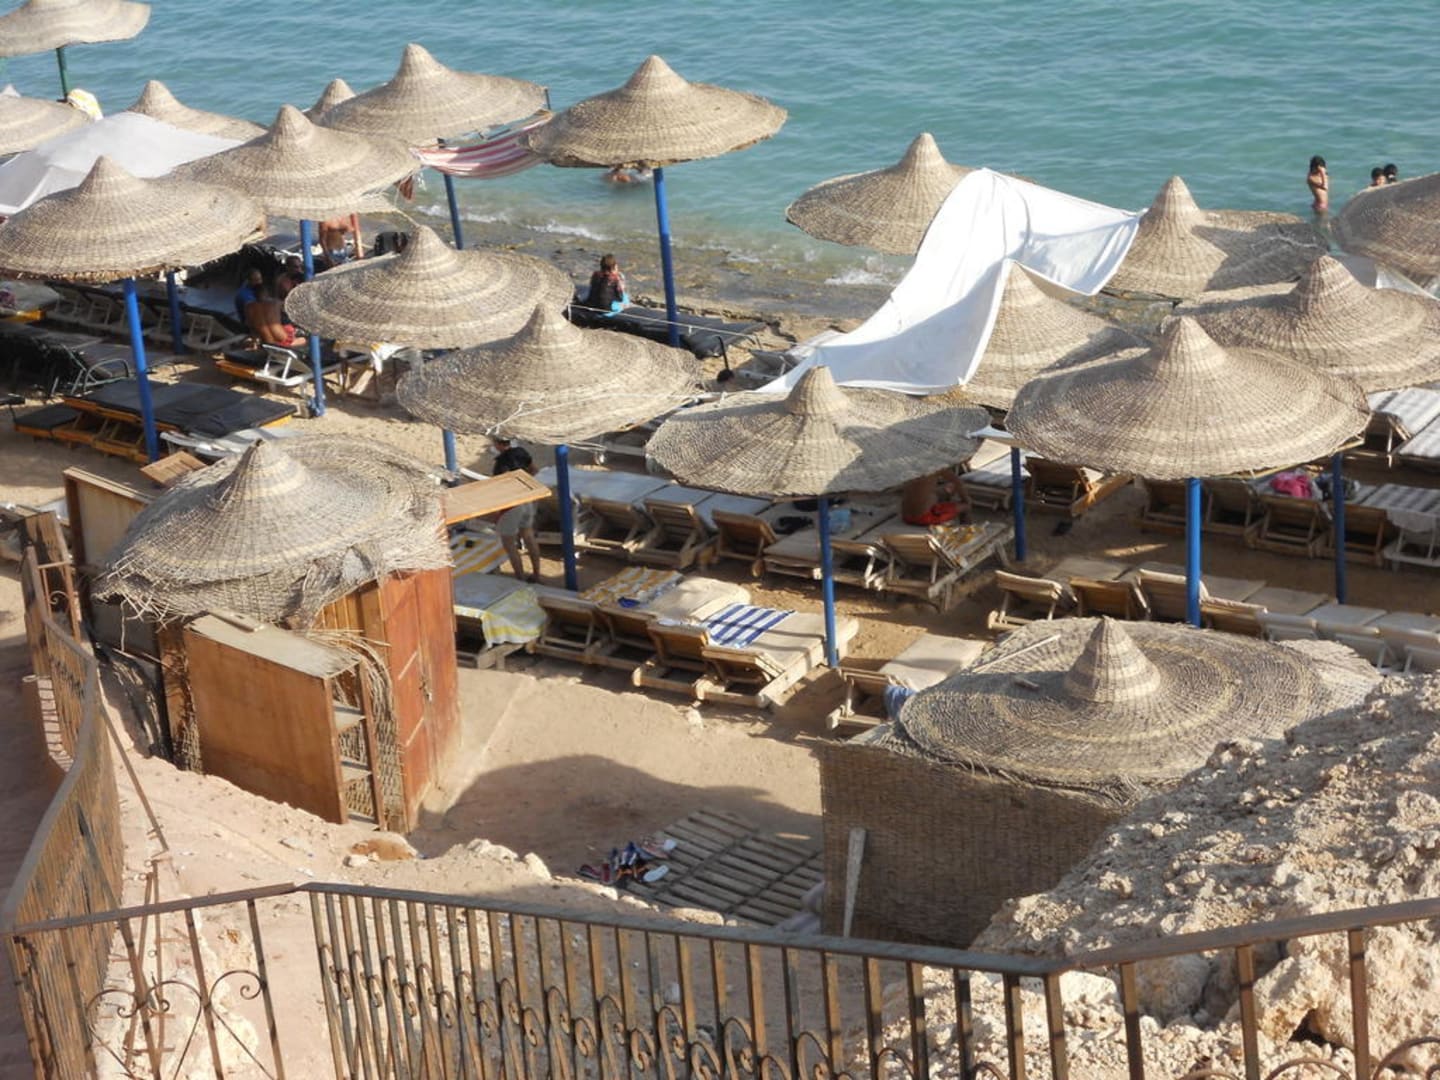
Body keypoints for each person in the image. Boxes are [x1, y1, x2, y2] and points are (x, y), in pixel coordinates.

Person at [491, 436, 542, 582]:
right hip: (525, 498)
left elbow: (501, 483)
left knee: (509, 544)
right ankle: (536, 574)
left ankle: (520, 579)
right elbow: (534, 469)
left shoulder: (501, 462)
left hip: (512, 504)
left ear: (498, 444)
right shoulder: (521, 452)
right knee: (529, 537)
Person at [244, 284, 306, 349]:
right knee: (304, 339)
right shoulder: (276, 303)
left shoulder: (248, 307)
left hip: (266, 342)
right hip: (284, 340)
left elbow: (251, 327)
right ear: (267, 293)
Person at [901, 468, 969, 526]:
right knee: (966, 506)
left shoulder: (911, 466)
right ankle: (966, 526)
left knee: (945, 490)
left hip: (906, 516)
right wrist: (966, 500)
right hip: (923, 518)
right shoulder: (937, 467)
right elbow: (958, 483)